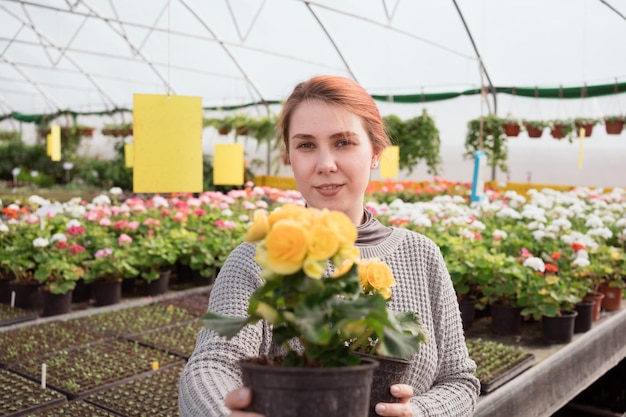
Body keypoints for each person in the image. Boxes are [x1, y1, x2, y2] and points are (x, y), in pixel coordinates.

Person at [179, 75, 480, 416]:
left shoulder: (421, 255)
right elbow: (211, 365)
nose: (325, 164)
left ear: (375, 152)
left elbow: (460, 380)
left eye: (344, 143)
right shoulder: (257, 258)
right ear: (290, 156)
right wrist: (225, 412)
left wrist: (421, 412)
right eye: (306, 145)